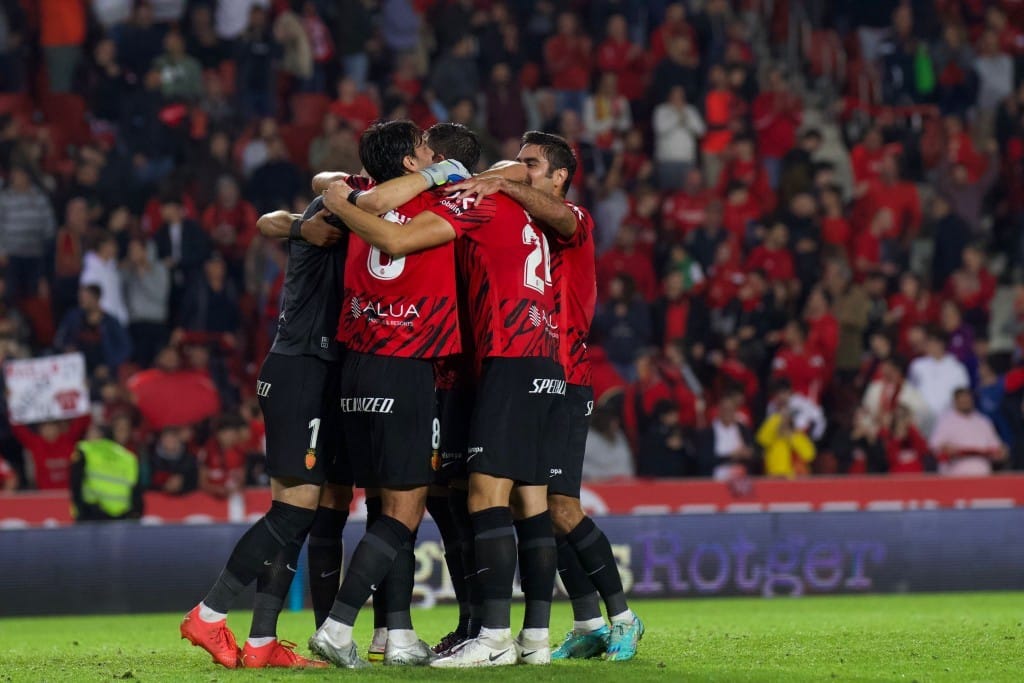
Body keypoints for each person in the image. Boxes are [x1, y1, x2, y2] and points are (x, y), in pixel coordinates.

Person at [318, 126, 560, 669]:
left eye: (432, 152)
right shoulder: (504, 190)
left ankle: (493, 635)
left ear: (445, 164)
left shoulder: (466, 198)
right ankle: (514, 634)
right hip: (522, 354)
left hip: (494, 355)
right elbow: (521, 171)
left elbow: (393, 235)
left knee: (477, 498)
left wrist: (343, 204)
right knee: (514, 500)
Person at [447, 131, 645, 661]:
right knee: (530, 505)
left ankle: (624, 617)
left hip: (568, 378)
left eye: (532, 164)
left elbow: (554, 214)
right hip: (532, 370)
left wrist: (501, 183)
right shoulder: (522, 227)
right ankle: (584, 622)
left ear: (559, 177)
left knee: (561, 506)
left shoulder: (574, 220)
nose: (521, 170)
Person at [180, 192, 364, 669]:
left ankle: (262, 642)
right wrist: (305, 226)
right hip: (302, 371)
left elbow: (277, 218)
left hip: (300, 372)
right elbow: (273, 218)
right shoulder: (341, 210)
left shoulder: (348, 212)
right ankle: (209, 612)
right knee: (291, 515)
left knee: (291, 514)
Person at [928, 388, 1007, 475]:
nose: (965, 402)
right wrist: (945, 448)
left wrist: (1000, 452)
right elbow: (934, 445)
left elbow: (995, 446)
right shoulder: (945, 421)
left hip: (982, 471)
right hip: (955, 473)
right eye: (962, 400)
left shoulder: (983, 421)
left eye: (967, 399)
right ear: (955, 401)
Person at [69, 433, 144, 522]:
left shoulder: (85, 450)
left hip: (91, 516)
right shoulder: (130, 458)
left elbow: (75, 482)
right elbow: (136, 493)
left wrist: (80, 509)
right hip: (119, 517)